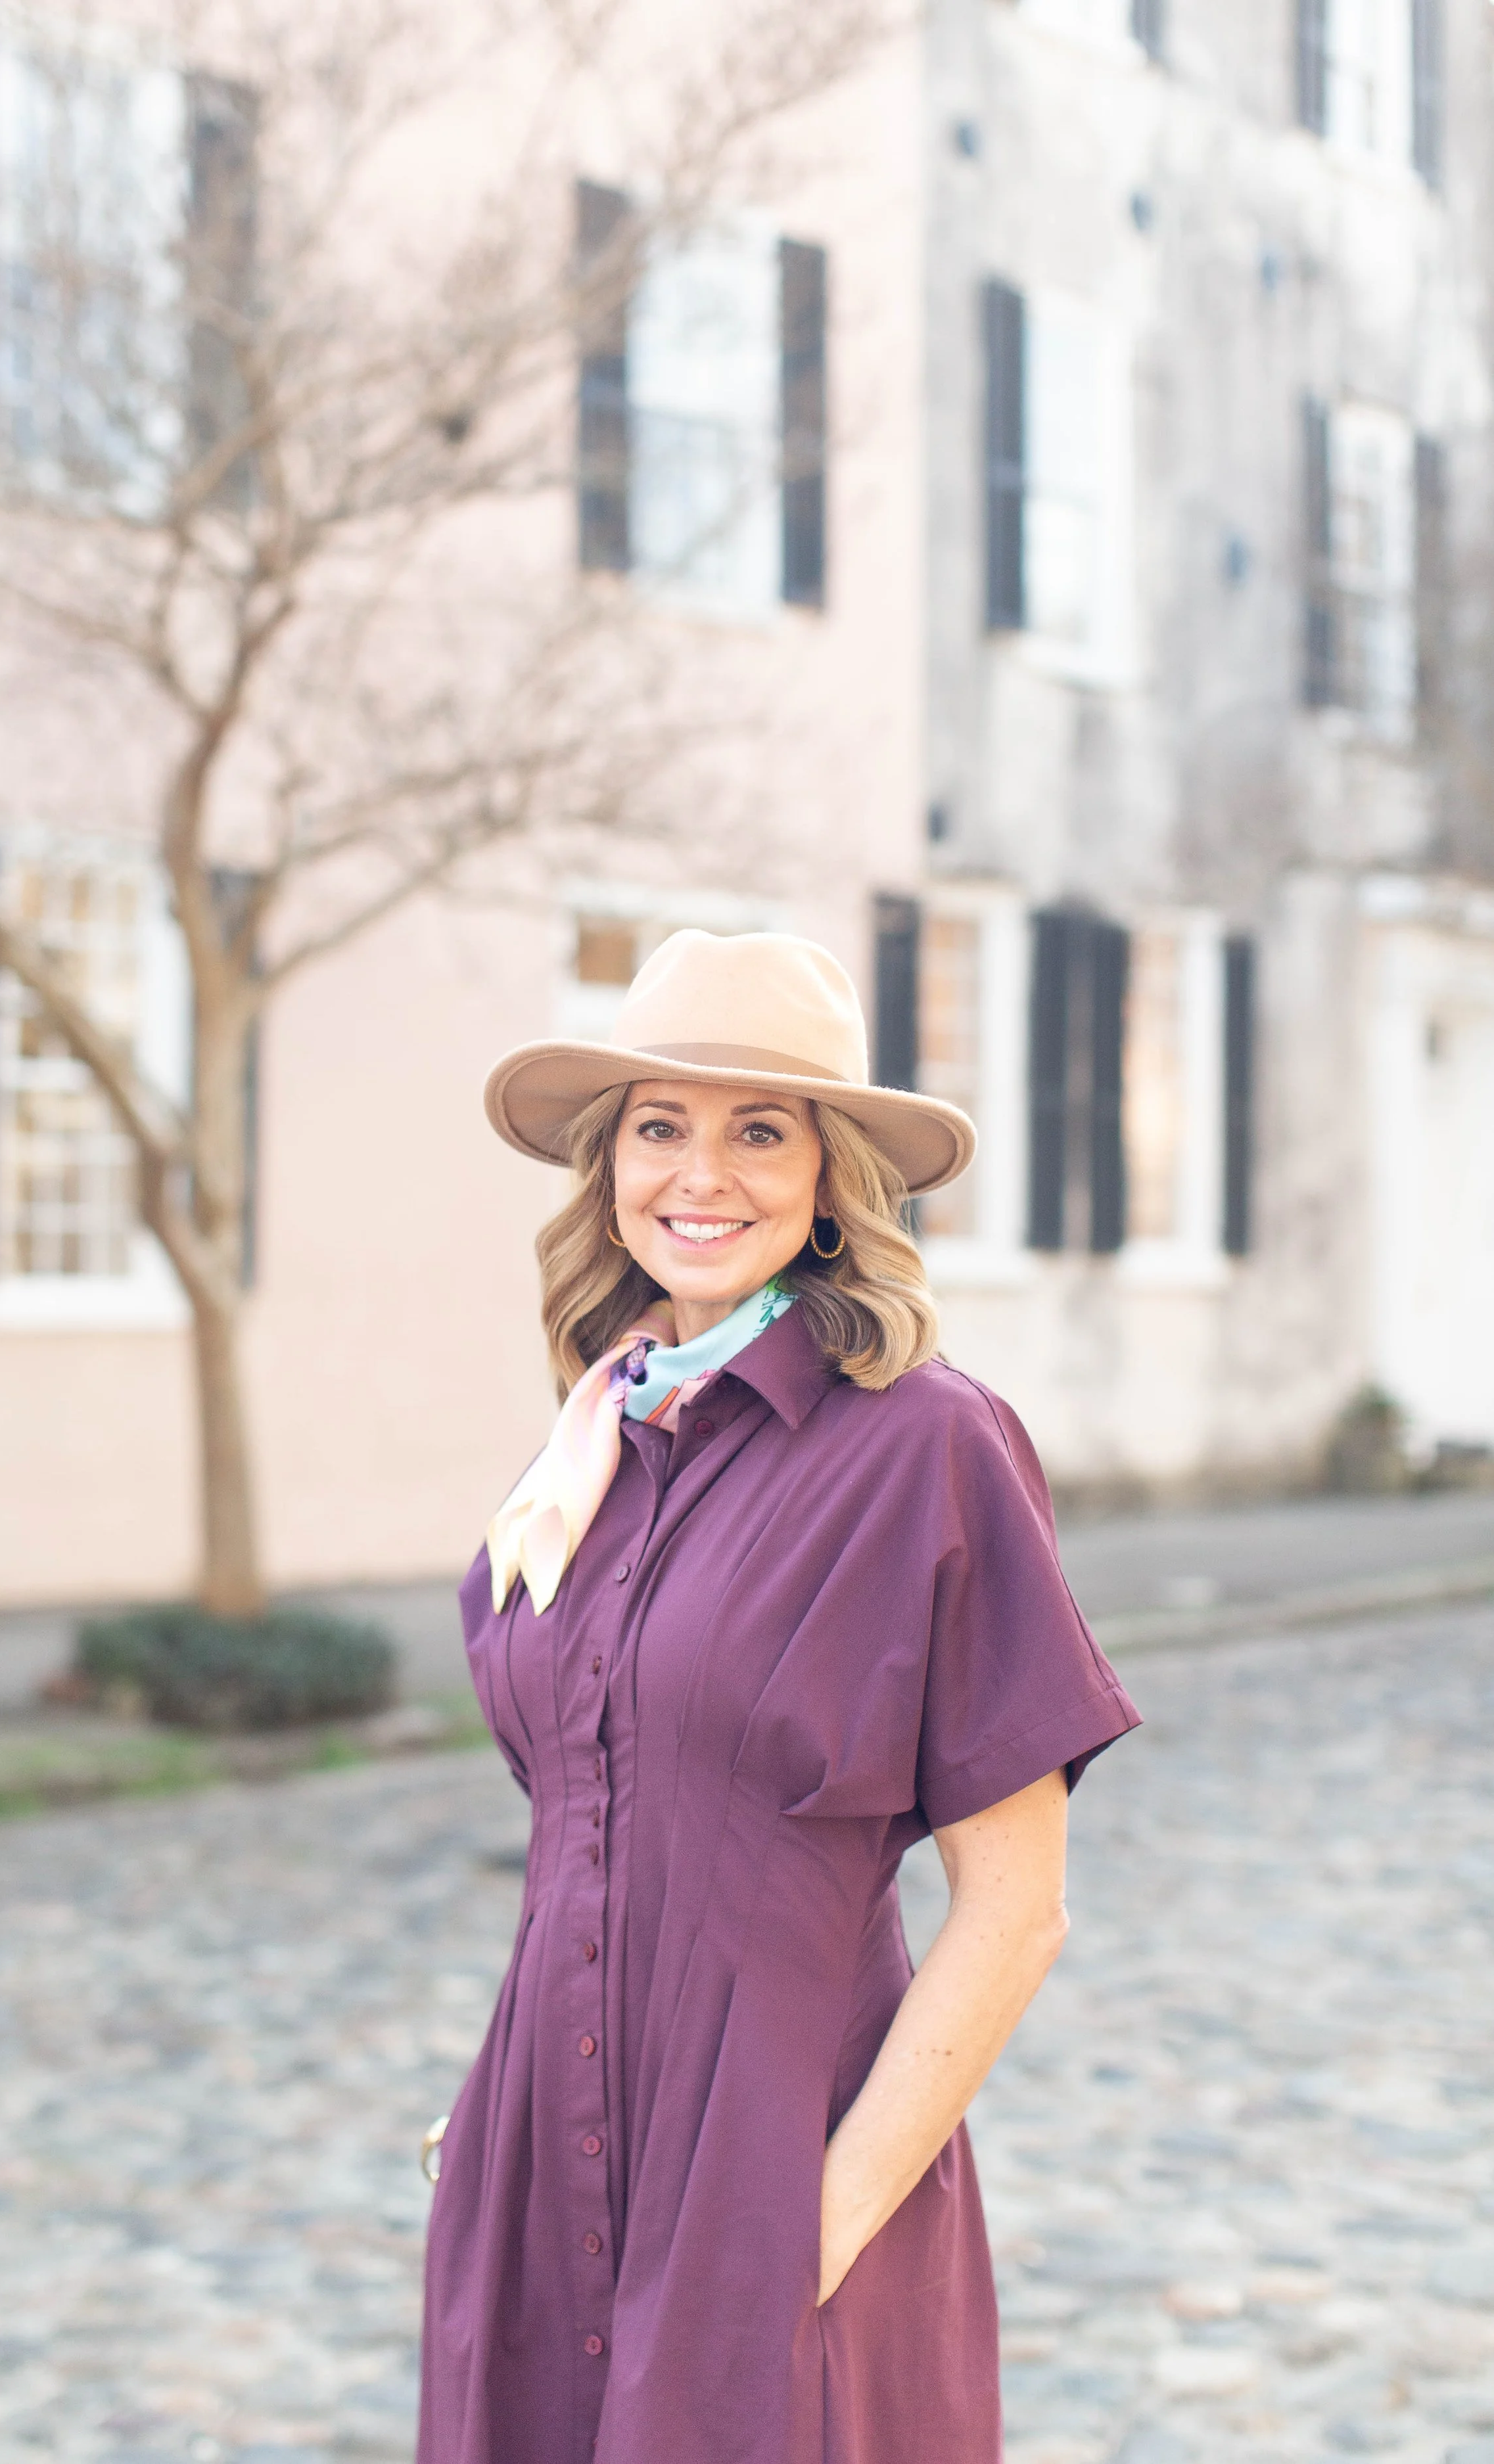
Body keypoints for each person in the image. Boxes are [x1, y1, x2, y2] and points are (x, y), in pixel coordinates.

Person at [418, 928, 1140, 2464]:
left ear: (831, 1181)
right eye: (657, 1128)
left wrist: (813, 2225)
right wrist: (505, 2105)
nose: (703, 1174)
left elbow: (1015, 1910)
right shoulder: (590, 1446)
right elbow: (593, 1838)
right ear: (608, 1168)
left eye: (760, 1131)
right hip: (544, 2177)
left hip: (783, 2184)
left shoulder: (927, 1449)